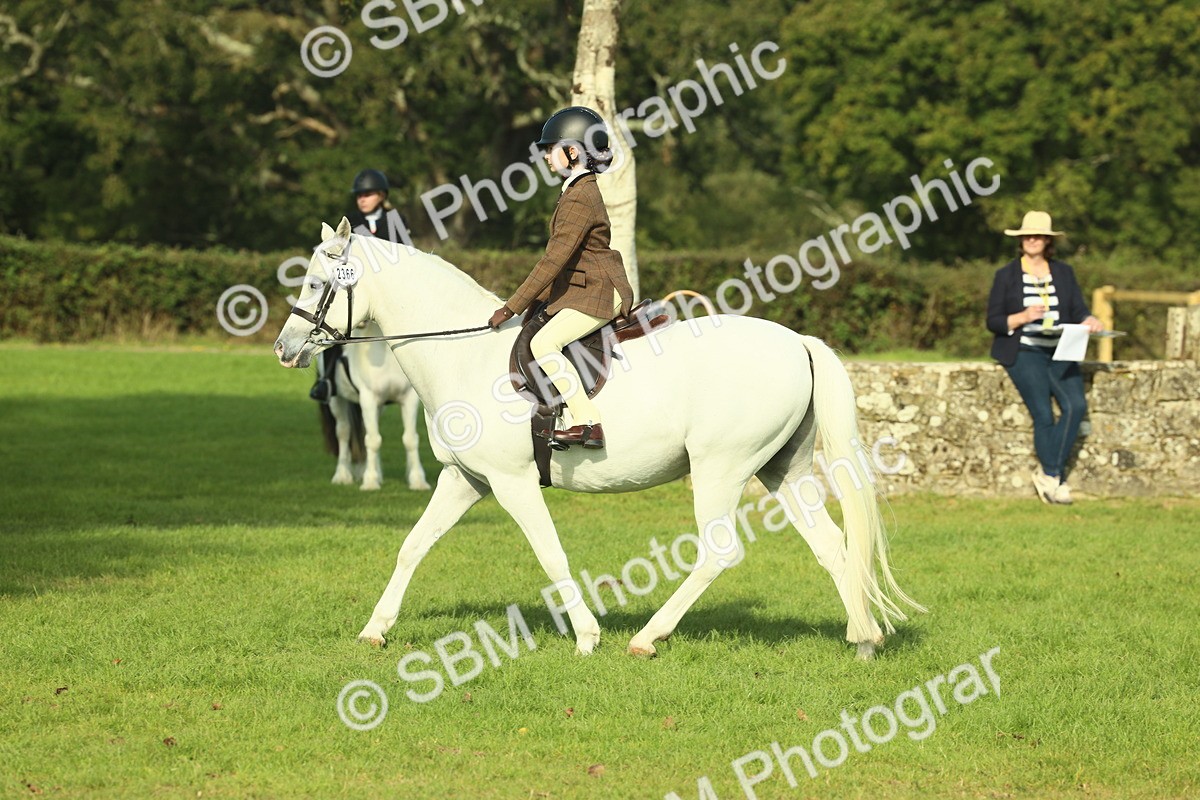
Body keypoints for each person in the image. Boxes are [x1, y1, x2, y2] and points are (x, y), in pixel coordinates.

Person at [487, 107, 634, 450]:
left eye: (550, 148)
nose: (545, 156)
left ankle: (587, 422)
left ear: (572, 151)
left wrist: (511, 307)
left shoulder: (580, 195)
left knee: (543, 344)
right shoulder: (576, 189)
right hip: (586, 286)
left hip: (599, 290)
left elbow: (554, 259)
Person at [986, 211, 1104, 504]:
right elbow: (994, 321)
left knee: (1076, 406)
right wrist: (1022, 317)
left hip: (1061, 350)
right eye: (1027, 235)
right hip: (1024, 351)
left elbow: (1078, 309)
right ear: (1021, 240)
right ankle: (1054, 477)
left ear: (1048, 240)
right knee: (1043, 414)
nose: (1032, 239)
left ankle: (1048, 476)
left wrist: (1089, 319)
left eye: (1038, 235)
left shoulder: (1063, 272)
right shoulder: (1006, 275)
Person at [346, 169, 409, 244]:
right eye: (359, 195)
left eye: (368, 195)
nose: (362, 200)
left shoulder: (396, 220)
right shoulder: (350, 221)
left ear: (382, 196)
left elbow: (406, 249)